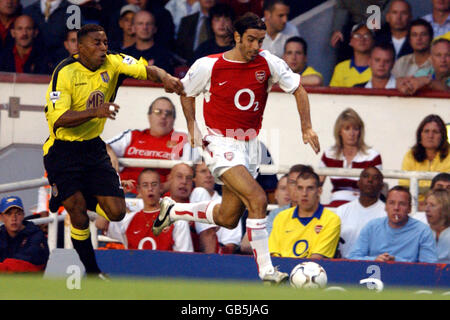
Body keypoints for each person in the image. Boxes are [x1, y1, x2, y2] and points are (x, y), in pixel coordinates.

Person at [153, 13, 320, 284]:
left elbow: (298, 89)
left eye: (260, 40)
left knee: (228, 217)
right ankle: (267, 272)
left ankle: (173, 211)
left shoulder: (268, 62)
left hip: (250, 145)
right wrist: (193, 126)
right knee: (257, 199)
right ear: (237, 37)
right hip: (220, 141)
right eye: (251, 40)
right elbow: (186, 91)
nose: (256, 46)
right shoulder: (209, 65)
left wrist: (306, 127)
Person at [42, 24, 184, 277]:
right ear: (80, 47)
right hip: (62, 150)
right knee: (77, 211)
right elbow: (59, 119)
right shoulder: (64, 72)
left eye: (106, 42)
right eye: (97, 43)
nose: (104, 48)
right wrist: (94, 112)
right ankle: (94, 272)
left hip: (92, 148)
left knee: (117, 213)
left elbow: (146, 70)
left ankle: (64, 193)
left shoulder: (113, 62)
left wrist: (166, 78)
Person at [106, 96, 192, 196]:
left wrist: (152, 192)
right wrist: (109, 150)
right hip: (125, 195)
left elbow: (187, 173)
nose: (163, 116)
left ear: (173, 119)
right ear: (149, 116)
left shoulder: (183, 140)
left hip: (159, 198)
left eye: (168, 113)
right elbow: (101, 146)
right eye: (158, 111)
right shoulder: (132, 135)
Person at [95, 169, 193, 252]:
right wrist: (116, 194)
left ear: (161, 188)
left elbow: (185, 258)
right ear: (139, 189)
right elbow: (101, 223)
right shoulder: (129, 220)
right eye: (145, 185)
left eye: (154, 184)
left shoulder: (177, 221)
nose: (150, 189)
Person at [348, 186, 438, 263]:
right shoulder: (372, 226)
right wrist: (375, 260)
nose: (396, 208)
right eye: (391, 203)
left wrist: (396, 262)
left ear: (409, 208)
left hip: (408, 281)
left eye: (402, 204)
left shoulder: (423, 231)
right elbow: (353, 258)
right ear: (385, 206)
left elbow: (429, 267)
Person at [269, 170, 341, 259]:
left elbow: (317, 258)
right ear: (295, 191)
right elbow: (274, 255)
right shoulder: (281, 217)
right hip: (281, 270)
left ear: (319, 191)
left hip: (312, 271)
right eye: (300, 188)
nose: (304, 193)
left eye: (310, 188)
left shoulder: (331, 219)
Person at [319, 108, 383, 208]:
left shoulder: (373, 156)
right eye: (347, 129)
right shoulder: (329, 154)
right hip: (335, 204)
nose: (351, 133)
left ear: (360, 131)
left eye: (355, 129)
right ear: (339, 131)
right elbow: (316, 185)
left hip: (362, 205)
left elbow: (376, 187)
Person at [190, 161, 242, 254]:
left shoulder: (227, 203)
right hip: (189, 253)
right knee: (199, 192)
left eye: (211, 171)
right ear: (194, 177)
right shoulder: (187, 199)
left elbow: (230, 244)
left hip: (218, 256)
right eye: (203, 171)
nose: (208, 175)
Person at [400, 114, 450, 207]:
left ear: (442, 136)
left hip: (444, 207)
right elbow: (404, 187)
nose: (430, 136)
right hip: (415, 206)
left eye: (435, 132)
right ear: (420, 135)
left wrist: (420, 191)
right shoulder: (411, 155)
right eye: (426, 131)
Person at [335, 167, 386, 258]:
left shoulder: (387, 213)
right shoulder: (342, 210)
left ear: (382, 186)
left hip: (376, 267)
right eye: (366, 176)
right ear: (358, 183)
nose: (370, 180)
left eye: (375, 178)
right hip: (344, 265)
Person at [0, 196, 49, 273]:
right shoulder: (2, 235)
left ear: (23, 215)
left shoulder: (36, 236)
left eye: (18, 213)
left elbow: (21, 265)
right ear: (1, 217)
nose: (14, 218)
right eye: (9, 214)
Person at [23, 0, 79, 67]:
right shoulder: (28, 11)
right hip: (32, 68)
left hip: (62, 67)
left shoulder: (73, 11)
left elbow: (75, 40)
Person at [123, 10, 174, 74]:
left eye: (149, 24)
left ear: (155, 28)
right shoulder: (125, 55)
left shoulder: (165, 56)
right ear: (133, 28)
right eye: (140, 24)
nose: (145, 27)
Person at [425, 188, 450, 263]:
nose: (427, 209)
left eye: (432, 205)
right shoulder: (421, 232)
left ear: (445, 209)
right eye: (426, 204)